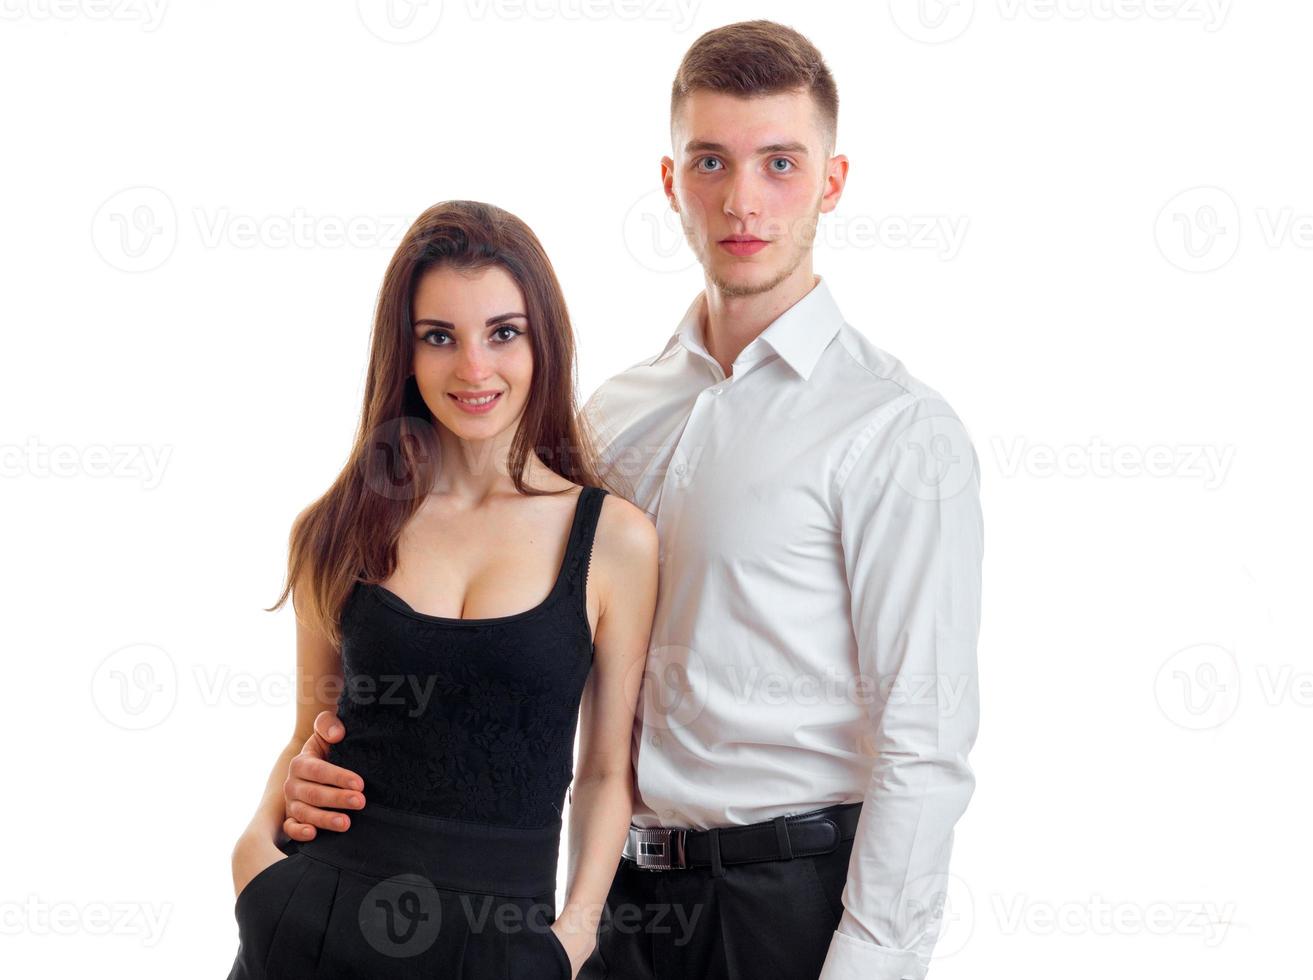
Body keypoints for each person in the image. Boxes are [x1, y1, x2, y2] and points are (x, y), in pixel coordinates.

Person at [281, 20, 984, 980]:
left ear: (833, 181)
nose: (743, 200)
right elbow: (522, 655)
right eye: (711, 161)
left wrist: (871, 961)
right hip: (618, 901)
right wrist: (328, 766)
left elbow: (926, 739)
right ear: (671, 184)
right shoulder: (614, 416)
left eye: (781, 162)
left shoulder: (894, 430)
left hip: (791, 903)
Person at [226, 199, 659, 978]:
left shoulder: (614, 540)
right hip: (313, 929)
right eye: (439, 337)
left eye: (503, 332)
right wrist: (253, 858)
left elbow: (602, 772)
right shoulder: (335, 528)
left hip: (500, 950)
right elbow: (307, 740)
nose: (473, 368)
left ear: (542, 341)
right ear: (405, 351)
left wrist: (572, 941)